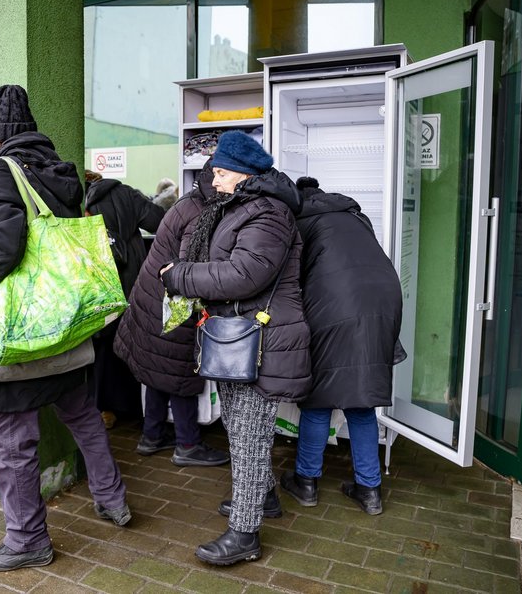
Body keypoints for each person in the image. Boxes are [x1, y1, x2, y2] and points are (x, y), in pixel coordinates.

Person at [0, 84, 129, 572]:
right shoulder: (60, 171)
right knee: (82, 416)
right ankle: (112, 498)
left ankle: (27, 539)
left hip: (20, 329)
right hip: (64, 324)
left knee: (11, 442)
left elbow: (3, 243)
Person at [159, 130, 311, 566]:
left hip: (259, 339)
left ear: (244, 175)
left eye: (222, 173)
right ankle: (263, 498)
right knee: (241, 430)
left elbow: (244, 275)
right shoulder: (244, 207)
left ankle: (245, 534)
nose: (215, 181)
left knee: (248, 438)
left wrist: (181, 276)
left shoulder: (268, 214)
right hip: (239, 335)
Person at [280, 176, 403, 516]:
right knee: (360, 402)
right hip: (383, 300)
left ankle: (305, 482)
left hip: (335, 306)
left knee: (318, 401)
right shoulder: (352, 214)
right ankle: (369, 489)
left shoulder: (298, 220)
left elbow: (290, 278)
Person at [113, 160, 230, 467]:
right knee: (179, 374)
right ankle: (188, 444)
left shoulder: (187, 203)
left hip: (151, 298)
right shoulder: (201, 213)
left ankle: (151, 436)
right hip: (171, 302)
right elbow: (189, 268)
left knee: (157, 370)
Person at [84, 169, 166, 427]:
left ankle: (102, 409)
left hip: (92, 285)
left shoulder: (73, 198)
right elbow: (159, 222)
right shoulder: (124, 193)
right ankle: (130, 407)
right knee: (128, 342)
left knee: (99, 348)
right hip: (128, 282)